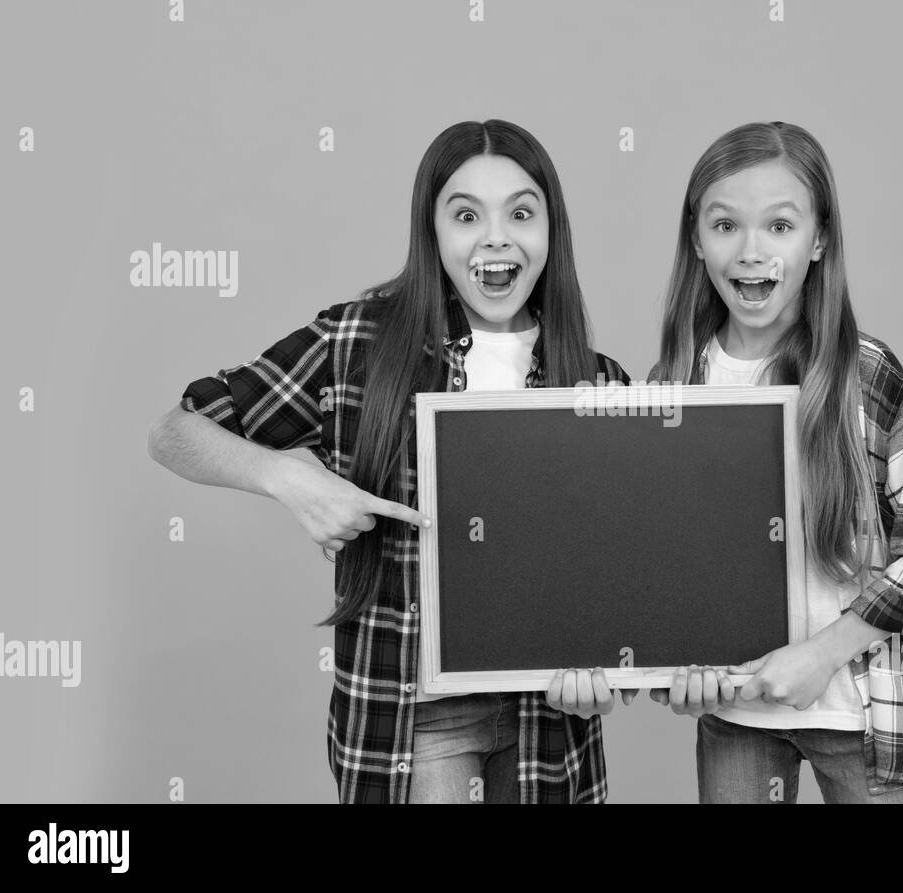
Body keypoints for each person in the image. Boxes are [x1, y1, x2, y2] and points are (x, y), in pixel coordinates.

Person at [148, 119, 633, 803]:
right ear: (431, 232)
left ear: (551, 232)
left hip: (553, 729)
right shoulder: (356, 343)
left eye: (521, 213)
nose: (496, 236)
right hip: (412, 719)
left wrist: (604, 680)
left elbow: (621, 579)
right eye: (466, 215)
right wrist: (289, 477)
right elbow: (175, 432)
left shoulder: (603, 384)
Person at [646, 121, 903, 803]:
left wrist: (821, 654)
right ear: (696, 240)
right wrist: (669, 674)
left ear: (819, 239)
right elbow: (662, 570)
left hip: (861, 713)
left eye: (779, 226)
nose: (750, 251)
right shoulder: (672, 386)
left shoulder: (868, 375)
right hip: (737, 716)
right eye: (725, 225)